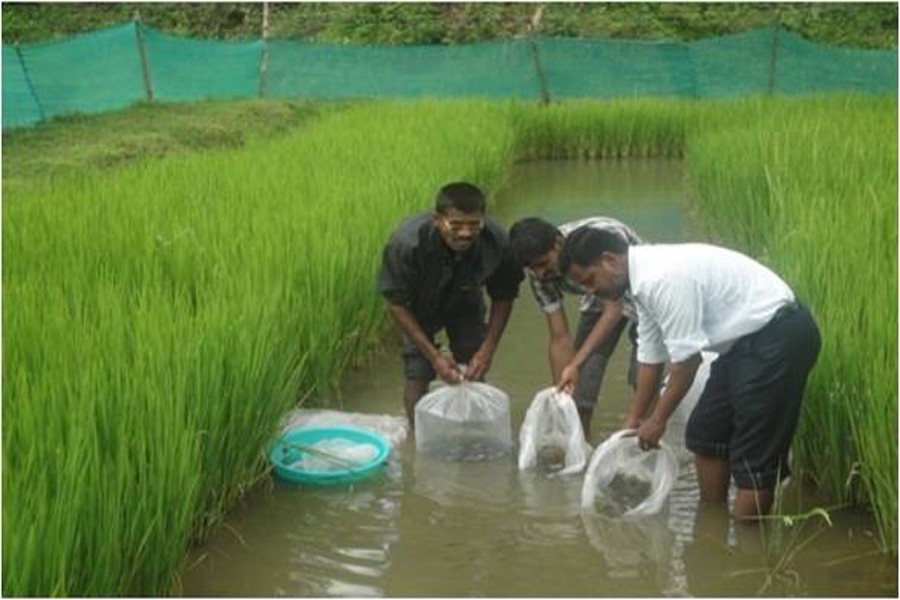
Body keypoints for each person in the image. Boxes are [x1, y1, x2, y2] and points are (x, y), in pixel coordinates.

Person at [558, 228, 821, 519]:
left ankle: (749, 546)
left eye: (589, 281)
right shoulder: (639, 281)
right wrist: (634, 418)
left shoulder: (662, 278)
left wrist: (657, 420)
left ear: (609, 260)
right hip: (740, 342)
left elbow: (687, 362)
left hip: (778, 336)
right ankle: (713, 525)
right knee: (706, 432)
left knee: (753, 456)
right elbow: (650, 351)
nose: (591, 292)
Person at [376, 182, 523, 427]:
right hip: (416, 307)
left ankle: (475, 432)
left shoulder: (497, 243)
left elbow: (504, 296)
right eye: (456, 225)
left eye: (474, 225)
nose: (465, 233)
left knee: (475, 368)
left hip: (465, 300)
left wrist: (488, 349)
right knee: (417, 374)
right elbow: (396, 303)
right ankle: (418, 440)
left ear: (483, 220)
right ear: (437, 220)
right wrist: (435, 357)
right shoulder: (407, 243)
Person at [508, 216, 643, 437]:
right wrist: (563, 393)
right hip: (597, 295)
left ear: (558, 244)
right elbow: (560, 337)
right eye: (533, 268)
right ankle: (580, 446)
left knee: (643, 372)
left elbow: (614, 309)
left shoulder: (597, 240)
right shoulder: (539, 277)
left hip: (638, 293)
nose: (541, 273)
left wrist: (575, 363)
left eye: (543, 263)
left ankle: (640, 436)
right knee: (580, 388)